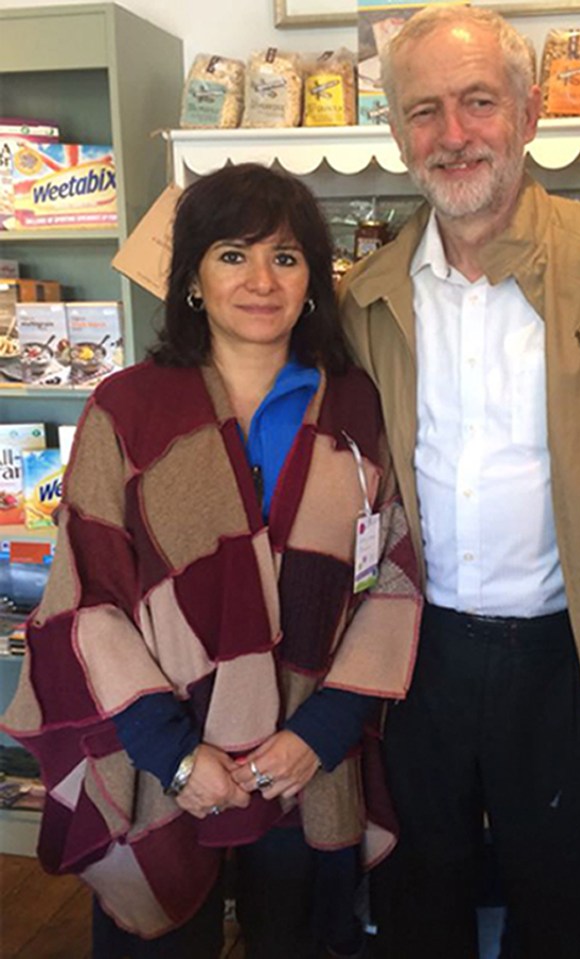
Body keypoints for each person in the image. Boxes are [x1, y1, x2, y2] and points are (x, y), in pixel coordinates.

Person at [339, 7, 580, 959]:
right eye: (423, 110)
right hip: (414, 660)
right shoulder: (369, 294)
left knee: (557, 906)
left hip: (572, 659)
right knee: (415, 895)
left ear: (526, 116)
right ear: (397, 134)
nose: (453, 133)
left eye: (478, 102)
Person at [1, 163, 420, 959]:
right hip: (164, 758)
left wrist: (320, 733)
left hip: (305, 758)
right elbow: (87, 599)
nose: (261, 280)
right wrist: (176, 753)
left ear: (312, 280)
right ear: (193, 274)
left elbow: (390, 577)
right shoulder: (127, 408)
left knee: (296, 939)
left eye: (286, 257)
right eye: (233, 254)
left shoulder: (357, 405)